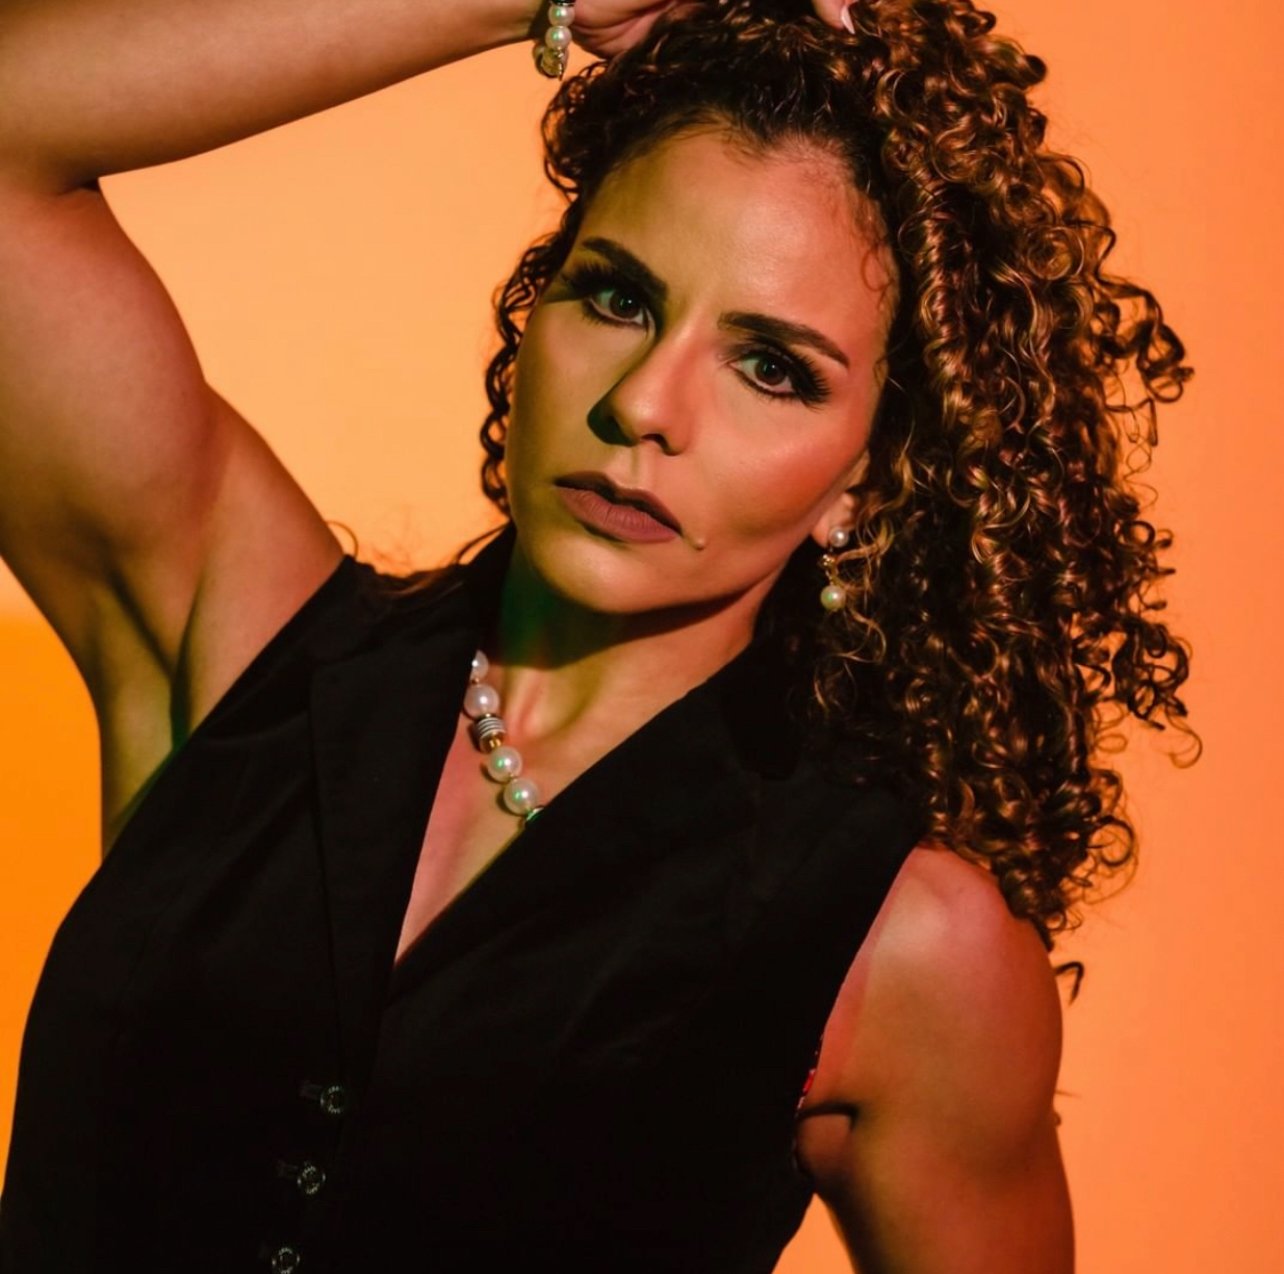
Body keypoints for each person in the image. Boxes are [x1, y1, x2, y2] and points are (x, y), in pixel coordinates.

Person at [0, 0, 1196, 1270]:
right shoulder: (236, 641)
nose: (643, 405)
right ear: (538, 303)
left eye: (773, 368)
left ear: (870, 476)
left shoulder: (907, 944)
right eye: (619, 298)